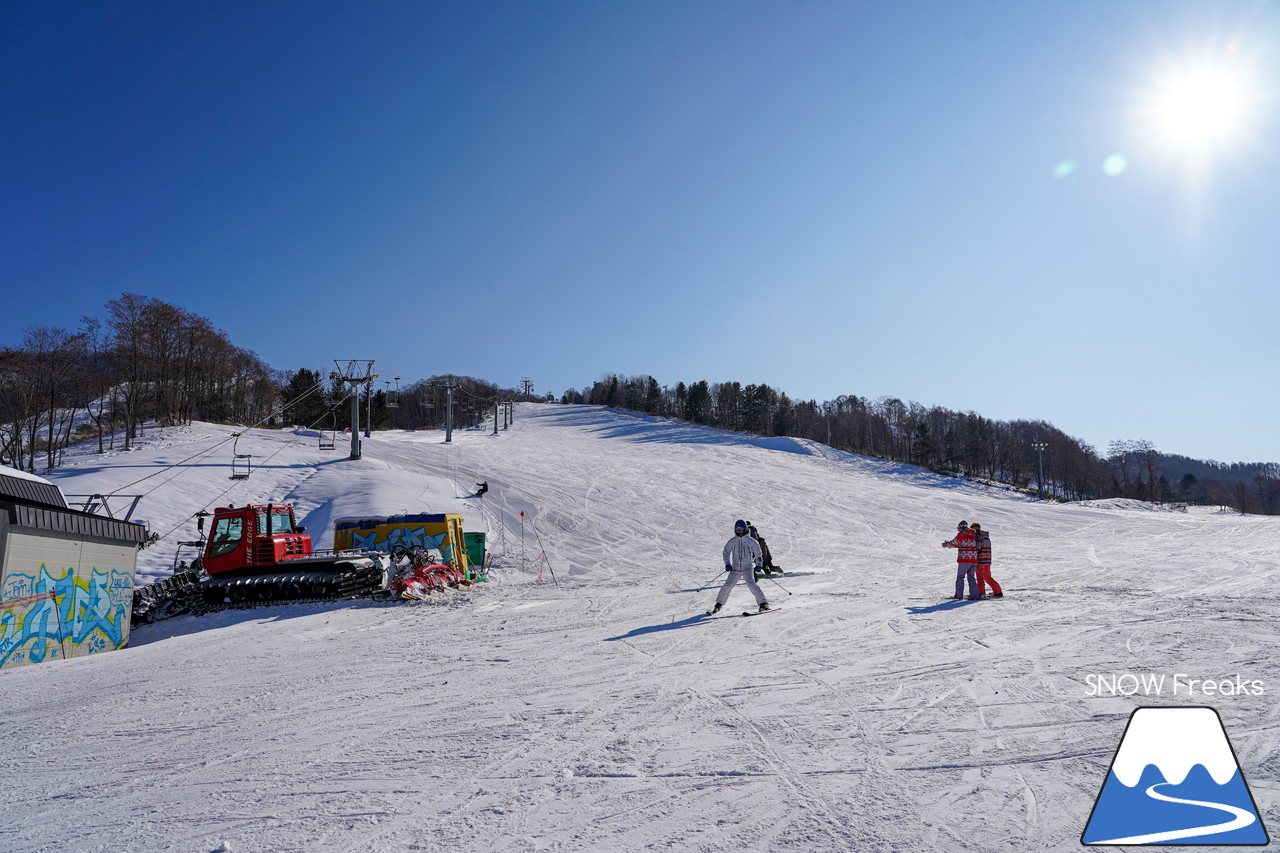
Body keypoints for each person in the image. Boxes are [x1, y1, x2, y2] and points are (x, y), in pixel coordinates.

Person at [707, 519, 769, 614]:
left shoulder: (751, 541)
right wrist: (727, 563)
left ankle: (763, 604)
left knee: (752, 585)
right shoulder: (733, 541)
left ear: (744, 529)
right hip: (735, 569)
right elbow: (726, 552)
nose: (738, 530)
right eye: (737, 528)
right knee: (727, 586)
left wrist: (758, 565)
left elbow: (758, 553)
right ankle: (718, 605)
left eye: (740, 528)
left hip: (747, 568)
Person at [942, 520, 980, 600]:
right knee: (971, 578)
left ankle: (958, 596)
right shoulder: (973, 534)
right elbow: (969, 544)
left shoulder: (961, 534)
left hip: (964, 559)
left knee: (960, 577)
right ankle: (975, 595)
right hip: (973, 559)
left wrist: (946, 544)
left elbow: (954, 542)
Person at [970, 523, 1002, 598]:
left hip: (980, 560)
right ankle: (998, 591)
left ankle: (981, 594)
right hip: (987, 560)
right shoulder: (986, 537)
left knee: (980, 577)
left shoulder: (978, 537)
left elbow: (978, 547)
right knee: (987, 577)